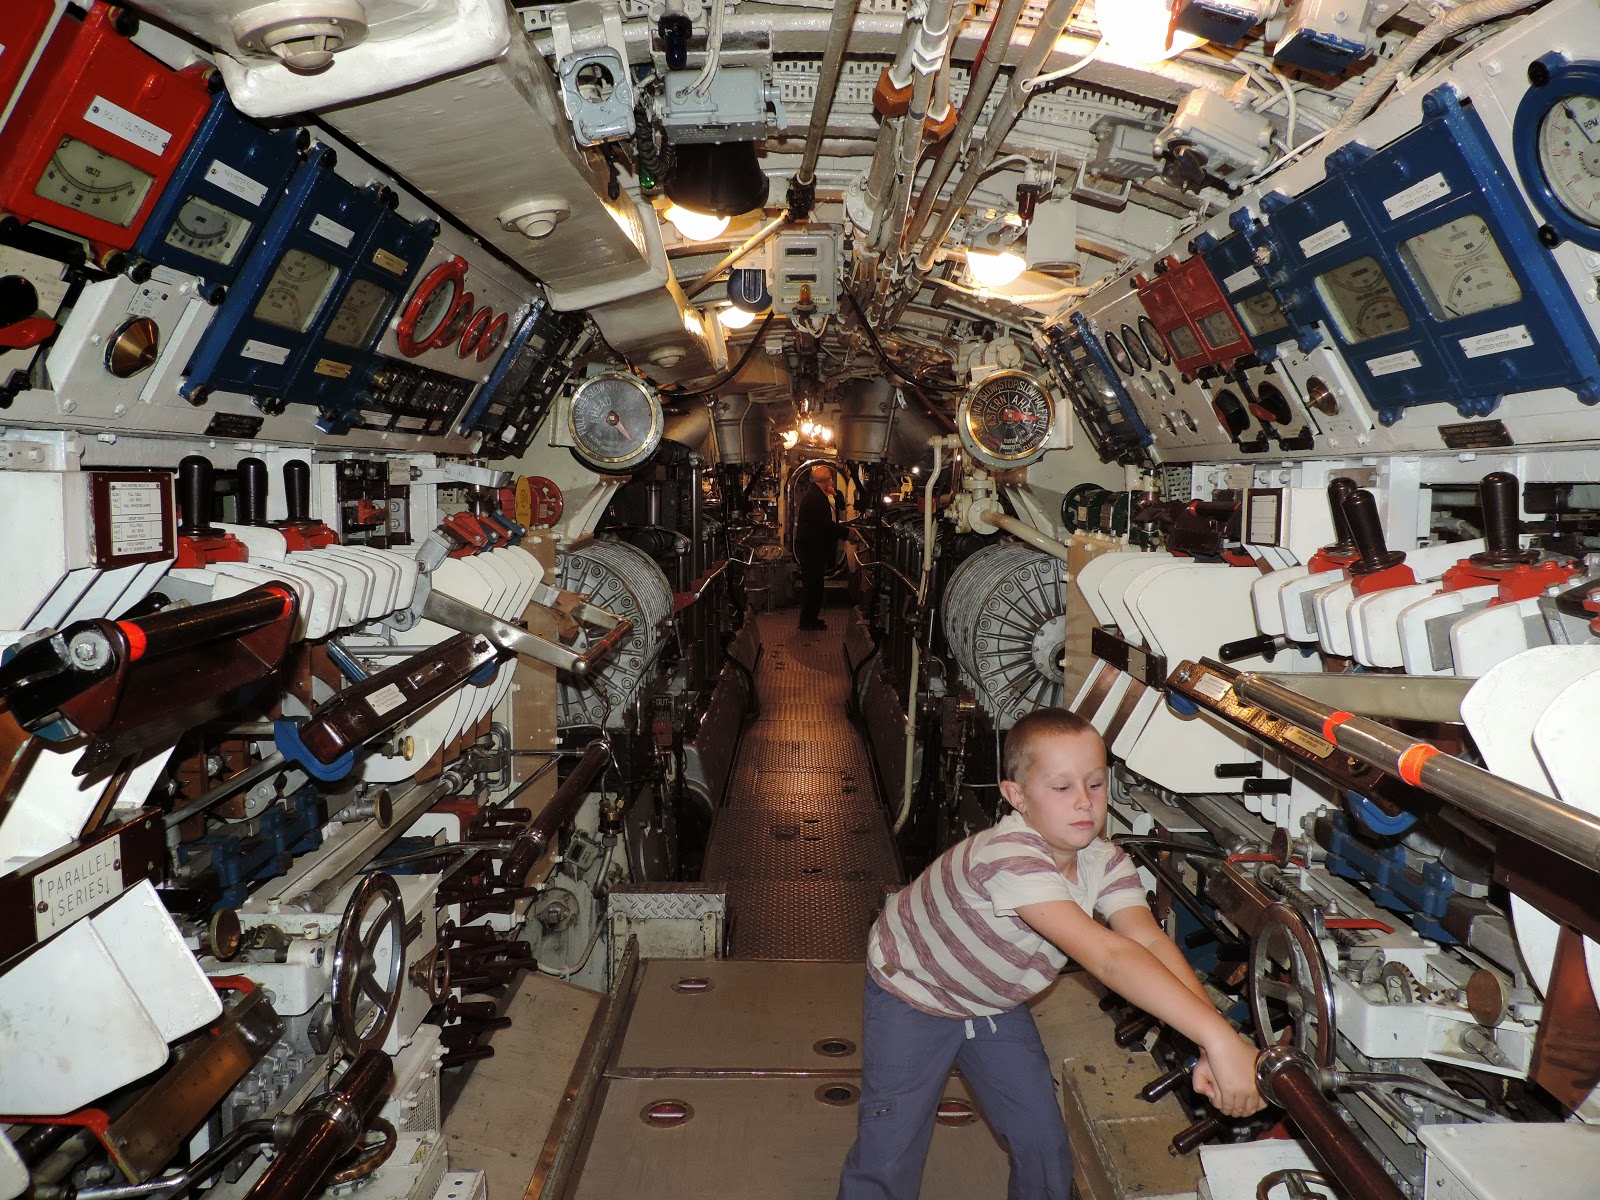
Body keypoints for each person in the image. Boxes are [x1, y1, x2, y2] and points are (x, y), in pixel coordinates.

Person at [838, 707, 1264, 1200]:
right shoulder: (1010, 856)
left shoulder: (1103, 859)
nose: (1084, 802)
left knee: (1043, 1143)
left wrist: (1213, 1038)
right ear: (1015, 796)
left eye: (1095, 785)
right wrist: (1219, 1038)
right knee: (889, 1151)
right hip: (914, 994)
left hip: (993, 1002)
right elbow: (1107, 958)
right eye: (1061, 788)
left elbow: (1147, 942)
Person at [794, 462, 843, 630]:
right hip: (812, 549)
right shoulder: (816, 498)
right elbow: (825, 525)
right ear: (828, 480)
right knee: (813, 586)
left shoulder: (816, 495)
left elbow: (838, 508)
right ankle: (808, 621)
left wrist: (835, 494)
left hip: (812, 548)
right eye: (830, 479)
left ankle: (810, 618)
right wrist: (846, 533)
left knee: (814, 585)